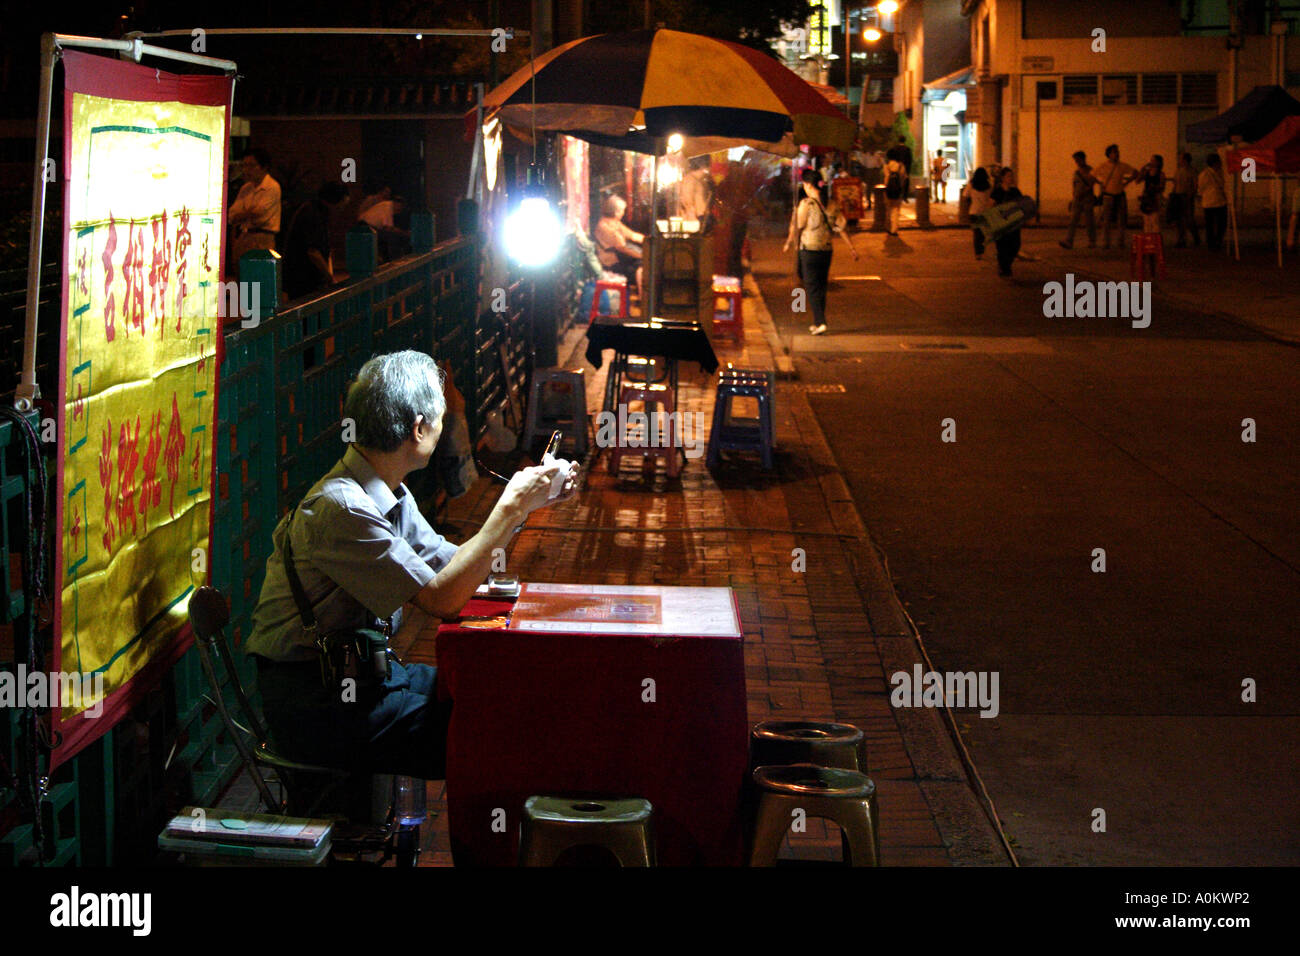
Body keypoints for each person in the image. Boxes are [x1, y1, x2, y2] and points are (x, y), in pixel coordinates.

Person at [245, 350, 576, 777]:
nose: (445, 428)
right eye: (442, 419)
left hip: (364, 676)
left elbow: (455, 567)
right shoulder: (340, 509)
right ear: (419, 428)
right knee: (496, 729)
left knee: (499, 686)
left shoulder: (390, 493)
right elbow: (445, 598)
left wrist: (530, 503)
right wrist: (511, 507)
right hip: (317, 702)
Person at [783, 167, 859, 336]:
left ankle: (820, 321)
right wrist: (852, 248)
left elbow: (798, 226)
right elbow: (841, 227)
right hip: (826, 250)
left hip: (809, 250)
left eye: (804, 184)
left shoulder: (806, 204)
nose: (803, 187)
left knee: (811, 286)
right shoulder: (831, 203)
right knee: (820, 285)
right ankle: (818, 321)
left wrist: (789, 243)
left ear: (809, 185)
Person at [283, 182, 348, 300]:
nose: (342, 209)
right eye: (342, 205)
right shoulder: (314, 214)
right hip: (304, 277)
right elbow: (313, 251)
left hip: (300, 275)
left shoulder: (312, 208)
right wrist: (329, 278)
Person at [228, 148, 281, 273]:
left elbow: (260, 215)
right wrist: (248, 213)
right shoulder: (246, 188)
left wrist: (245, 214)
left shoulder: (272, 187)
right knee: (243, 279)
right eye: (244, 165)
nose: (247, 170)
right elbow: (232, 215)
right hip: (244, 236)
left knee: (259, 277)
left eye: (251, 165)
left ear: (264, 167)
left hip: (263, 239)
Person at [594, 195, 645, 296]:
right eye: (622, 210)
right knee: (642, 266)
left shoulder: (615, 223)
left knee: (643, 263)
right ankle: (643, 299)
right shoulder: (604, 226)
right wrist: (642, 256)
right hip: (611, 265)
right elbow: (622, 248)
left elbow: (633, 235)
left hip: (620, 260)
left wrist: (649, 240)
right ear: (615, 211)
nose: (623, 213)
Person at [1092, 144, 1137, 250]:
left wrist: (1126, 183)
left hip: (1120, 195)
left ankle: (1120, 241)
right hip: (1108, 196)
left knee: (1121, 220)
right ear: (1109, 154)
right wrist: (1100, 184)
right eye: (1114, 152)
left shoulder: (1122, 166)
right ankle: (1105, 242)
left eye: (1117, 152)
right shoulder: (1103, 166)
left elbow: (1135, 173)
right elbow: (1092, 176)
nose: (1117, 154)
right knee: (1106, 220)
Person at [989, 167, 1024, 277]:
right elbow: (991, 205)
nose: (1011, 178)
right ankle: (1004, 267)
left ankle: (1007, 265)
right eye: (1009, 176)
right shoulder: (997, 192)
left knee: (1015, 245)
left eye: (1012, 176)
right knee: (1002, 246)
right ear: (1003, 178)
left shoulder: (1015, 191)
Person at [1060, 150, 1097, 249]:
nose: (1076, 162)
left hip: (1087, 199)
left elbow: (1091, 184)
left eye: (1078, 160)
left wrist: (1082, 193)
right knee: (1072, 221)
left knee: (1089, 221)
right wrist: (1074, 197)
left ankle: (1092, 241)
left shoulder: (1091, 171)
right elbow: (1074, 185)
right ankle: (1069, 241)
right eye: (1075, 160)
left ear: (1083, 159)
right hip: (1077, 199)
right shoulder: (1076, 172)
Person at [358, 195, 409, 260]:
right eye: (399, 207)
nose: (399, 210)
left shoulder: (388, 206)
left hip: (367, 226)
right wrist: (404, 233)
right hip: (366, 226)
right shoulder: (388, 207)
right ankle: (393, 259)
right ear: (396, 203)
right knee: (391, 236)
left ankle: (387, 258)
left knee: (387, 236)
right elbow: (388, 228)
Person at [1198, 153, 1228, 252]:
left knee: (1221, 223)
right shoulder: (1205, 174)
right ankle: (1212, 243)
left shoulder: (1220, 173)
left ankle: (1216, 241)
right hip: (1210, 202)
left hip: (1219, 201)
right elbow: (1201, 188)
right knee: (1210, 225)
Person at [1170, 153, 1201, 248]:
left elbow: (1195, 185)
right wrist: (1173, 194)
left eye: (1181, 159)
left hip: (1187, 196)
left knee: (1189, 219)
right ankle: (1181, 239)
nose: (1179, 161)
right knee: (1179, 220)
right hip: (1178, 196)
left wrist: (1191, 195)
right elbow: (1175, 183)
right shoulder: (1178, 171)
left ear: (1185, 160)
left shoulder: (1192, 171)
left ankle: (1196, 237)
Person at [963, 167, 995, 260]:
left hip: (974, 211)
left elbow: (965, 196)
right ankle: (981, 251)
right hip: (985, 212)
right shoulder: (989, 186)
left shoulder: (971, 185)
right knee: (983, 233)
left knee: (976, 233)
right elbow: (991, 198)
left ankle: (978, 253)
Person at [1137, 154, 1167, 234]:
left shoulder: (1161, 174)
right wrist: (1143, 169)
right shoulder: (1147, 172)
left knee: (1155, 220)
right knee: (1146, 221)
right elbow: (1138, 180)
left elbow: (1162, 187)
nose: (1151, 162)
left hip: (1155, 198)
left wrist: (1154, 187)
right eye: (1151, 160)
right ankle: (1148, 239)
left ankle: (1155, 240)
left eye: (1153, 160)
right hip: (1146, 198)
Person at [882, 154, 907, 235]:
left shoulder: (886, 166)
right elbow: (904, 178)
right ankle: (894, 229)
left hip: (888, 189)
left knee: (888, 208)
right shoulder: (901, 166)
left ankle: (888, 226)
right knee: (896, 209)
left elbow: (886, 177)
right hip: (897, 190)